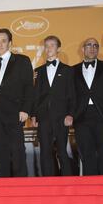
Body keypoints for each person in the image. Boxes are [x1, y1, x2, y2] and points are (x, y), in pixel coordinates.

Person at [0, 28, 34, 177]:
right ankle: (2, 186)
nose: (0, 44)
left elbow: (29, 87)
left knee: (17, 151)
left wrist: (26, 109)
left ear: (10, 43)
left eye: (3, 41)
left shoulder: (22, 60)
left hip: (15, 113)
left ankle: (22, 186)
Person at [31, 35, 76, 176]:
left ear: (58, 48)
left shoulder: (68, 70)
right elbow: (36, 95)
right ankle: (47, 183)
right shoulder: (38, 71)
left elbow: (72, 94)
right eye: (47, 45)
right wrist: (33, 115)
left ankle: (68, 182)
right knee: (45, 151)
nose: (49, 48)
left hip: (61, 116)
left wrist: (70, 114)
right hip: (43, 117)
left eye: (52, 45)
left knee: (62, 150)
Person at [73, 38, 103, 175]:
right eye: (89, 45)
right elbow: (69, 95)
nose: (92, 48)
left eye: (95, 45)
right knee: (86, 152)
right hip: (81, 116)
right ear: (82, 49)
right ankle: (91, 186)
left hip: (101, 114)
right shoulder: (73, 70)